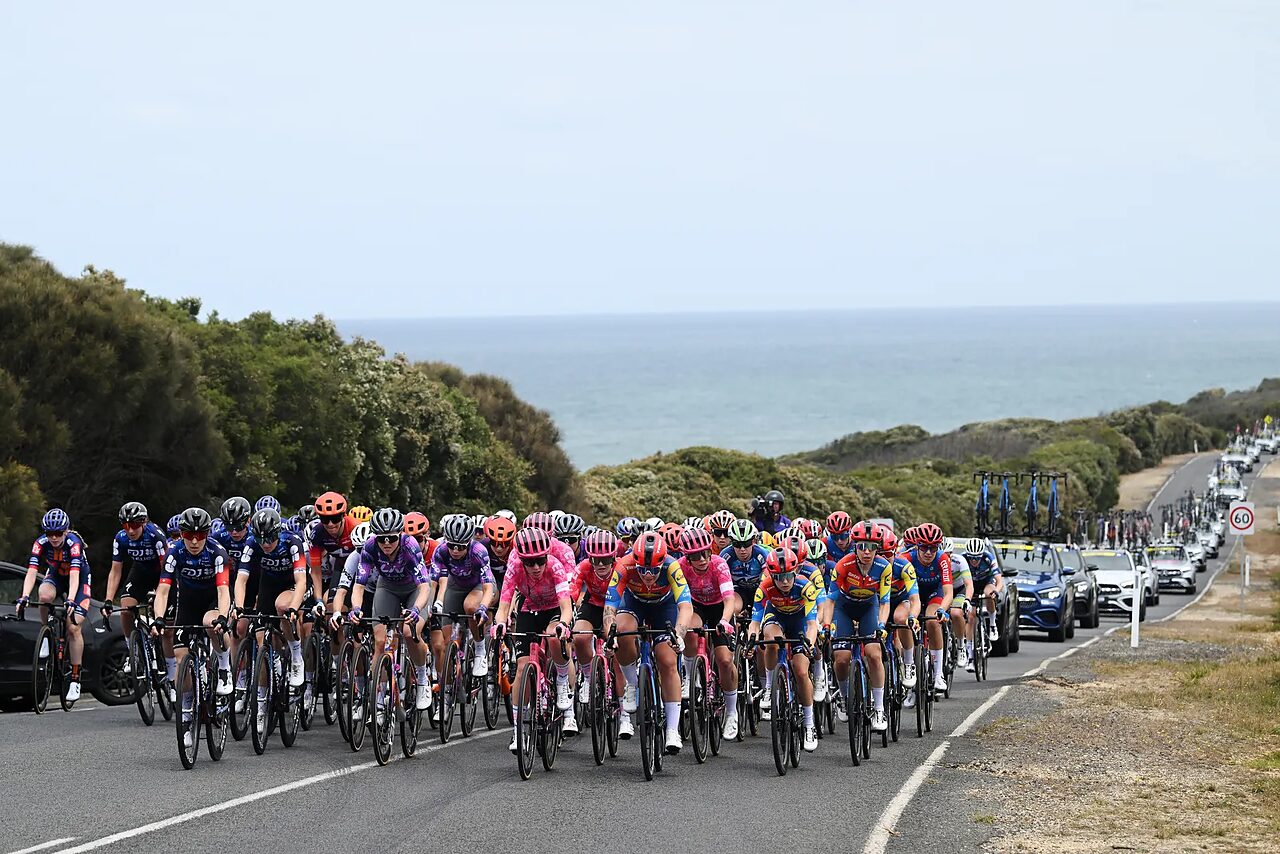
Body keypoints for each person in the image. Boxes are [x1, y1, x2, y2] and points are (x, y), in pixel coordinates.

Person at [604, 531, 692, 752]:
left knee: (667, 659)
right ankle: (632, 684)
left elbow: (685, 606)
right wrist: (610, 636)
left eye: (654, 570)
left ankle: (672, 730)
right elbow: (609, 609)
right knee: (622, 632)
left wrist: (679, 635)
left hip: (665, 606)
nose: (649, 575)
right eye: (643, 570)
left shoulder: (672, 566)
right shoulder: (624, 565)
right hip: (634, 603)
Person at [152, 508, 233, 747]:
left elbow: (222, 591)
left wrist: (223, 617)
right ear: (181, 534)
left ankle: (225, 666)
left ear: (207, 534)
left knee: (211, 624)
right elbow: (164, 589)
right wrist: (158, 617)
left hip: (211, 600)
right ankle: (186, 714)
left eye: (200, 535)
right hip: (187, 602)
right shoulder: (174, 552)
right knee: (180, 660)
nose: (195, 541)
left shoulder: (217, 552)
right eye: (189, 535)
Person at [492, 527, 574, 753]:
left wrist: (563, 625)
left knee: (553, 636)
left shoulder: (555, 567)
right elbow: (504, 606)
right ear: (521, 560)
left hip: (555, 610)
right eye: (530, 563)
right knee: (522, 667)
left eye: (540, 561)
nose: (536, 567)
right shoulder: (515, 568)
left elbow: (567, 607)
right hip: (530, 609)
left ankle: (560, 682)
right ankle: (518, 730)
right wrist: (499, 623)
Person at [349, 508, 435, 713]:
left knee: (408, 632)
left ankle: (423, 677)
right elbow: (359, 585)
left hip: (414, 589)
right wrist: (356, 609)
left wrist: (415, 609)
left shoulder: (410, 545)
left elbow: (424, 586)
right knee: (380, 641)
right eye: (382, 539)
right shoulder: (370, 547)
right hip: (387, 587)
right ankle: (378, 699)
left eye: (391, 538)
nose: (386, 543)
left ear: (399, 535)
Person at [748, 547, 820, 751]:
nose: (785, 582)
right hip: (776, 618)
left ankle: (809, 723)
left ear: (795, 572)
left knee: (800, 670)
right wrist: (751, 639)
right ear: (772, 575)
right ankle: (770, 688)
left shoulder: (805, 587)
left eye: (789, 576)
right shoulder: (764, 587)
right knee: (770, 638)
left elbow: (812, 624)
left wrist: (809, 644)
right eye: (779, 577)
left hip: (800, 622)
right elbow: (754, 623)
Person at [17, 509, 92, 702]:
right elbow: (32, 571)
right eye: (49, 533)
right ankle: (47, 634)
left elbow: (75, 576)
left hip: (79, 578)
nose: (54, 537)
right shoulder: (40, 543)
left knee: (73, 627)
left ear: (66, 531)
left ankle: (75, 679)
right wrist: (24, 596)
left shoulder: (73, 543)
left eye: (58, 533)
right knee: (43, 594)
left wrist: (71, 600)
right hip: (57, 576)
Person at [676, 527, 740, 740]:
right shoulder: (681, 567)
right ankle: (689, 675)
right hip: (697, 606)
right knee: (690, 632)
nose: (703, 559)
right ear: (687, 557)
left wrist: (724, 621)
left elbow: (730, 599)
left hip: (719, 607)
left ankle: (732, 712)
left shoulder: (719, 564)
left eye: (706, 553)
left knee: (724, 660)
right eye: (696, 556)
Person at [828, 521, 891, 732]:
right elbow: (830, 599)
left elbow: (884, 602)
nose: (866, 551)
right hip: (844, 608)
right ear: (855, 546)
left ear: (877, 549)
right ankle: (845, 698)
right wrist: (827, 626)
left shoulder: (884, 567)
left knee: (874, 653)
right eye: (862, 546)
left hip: (868, 608)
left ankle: (880, 708)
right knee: (842, 657)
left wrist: (881, 625)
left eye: (871, 547)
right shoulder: (843, 565)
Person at [102, 502, 171, 675]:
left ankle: (163, 654)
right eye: (126, 526)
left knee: (159, 610)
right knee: (125, 610)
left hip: (160, 573)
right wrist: (109, 600)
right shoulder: (120, 538)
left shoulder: (155, 535)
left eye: (134, 525)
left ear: (143, 523)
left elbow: (166, 567)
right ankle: (133, 652)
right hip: (139, 572)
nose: (130, 530)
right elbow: (115, 571)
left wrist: (160, 592)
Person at [430, 514, 496, 683]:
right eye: (452, 545)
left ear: (469, 543)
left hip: (479, 586)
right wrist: (430, 604)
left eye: (460, 547)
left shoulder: (478, 551)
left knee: (471, 607)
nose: (455, 551)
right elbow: (432, 583)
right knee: (446, 643)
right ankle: (448, 691)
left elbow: (488, 588)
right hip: (456, 587)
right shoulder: (441, 550)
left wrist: (483, 607)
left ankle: (480, 648)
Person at [905, 523, 953, 693]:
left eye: (933, 548)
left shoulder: (942, 559)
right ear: (917, 545)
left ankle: (938, 673)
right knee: (904, 622)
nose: (928, 552)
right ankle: (908, 670)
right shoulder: (907, 558)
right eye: (924, 547)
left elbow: (948, 592)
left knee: (933, 621)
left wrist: (942, 609)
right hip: (913, 595)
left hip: (934, 593)